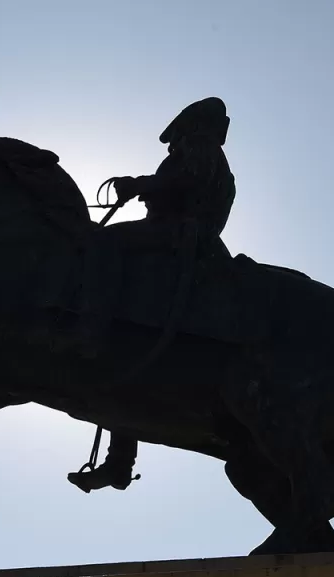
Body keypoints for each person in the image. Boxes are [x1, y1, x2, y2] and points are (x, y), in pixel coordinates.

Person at [67, 97, 237, 493]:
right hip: (177, 235)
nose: (173, 139)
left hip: (182, 237)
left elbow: (189, 184)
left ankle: (90, 329)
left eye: (178, 129)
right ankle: (118, 463)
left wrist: (140, 184)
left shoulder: (201, 147)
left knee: (105, 242)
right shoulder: (199, 149)